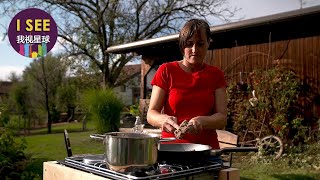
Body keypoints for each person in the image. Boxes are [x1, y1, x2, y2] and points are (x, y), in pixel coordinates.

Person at [147, 19, 227, 149]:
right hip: (171, 150)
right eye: (189, 44)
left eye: (200, 44)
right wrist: (163, 120)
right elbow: (151, 114)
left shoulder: (216, 75)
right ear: (182, 45)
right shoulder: (166, 70)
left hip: (206, 151)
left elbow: (222, 118)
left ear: (208, 43)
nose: (194, 49)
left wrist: (202, 122)